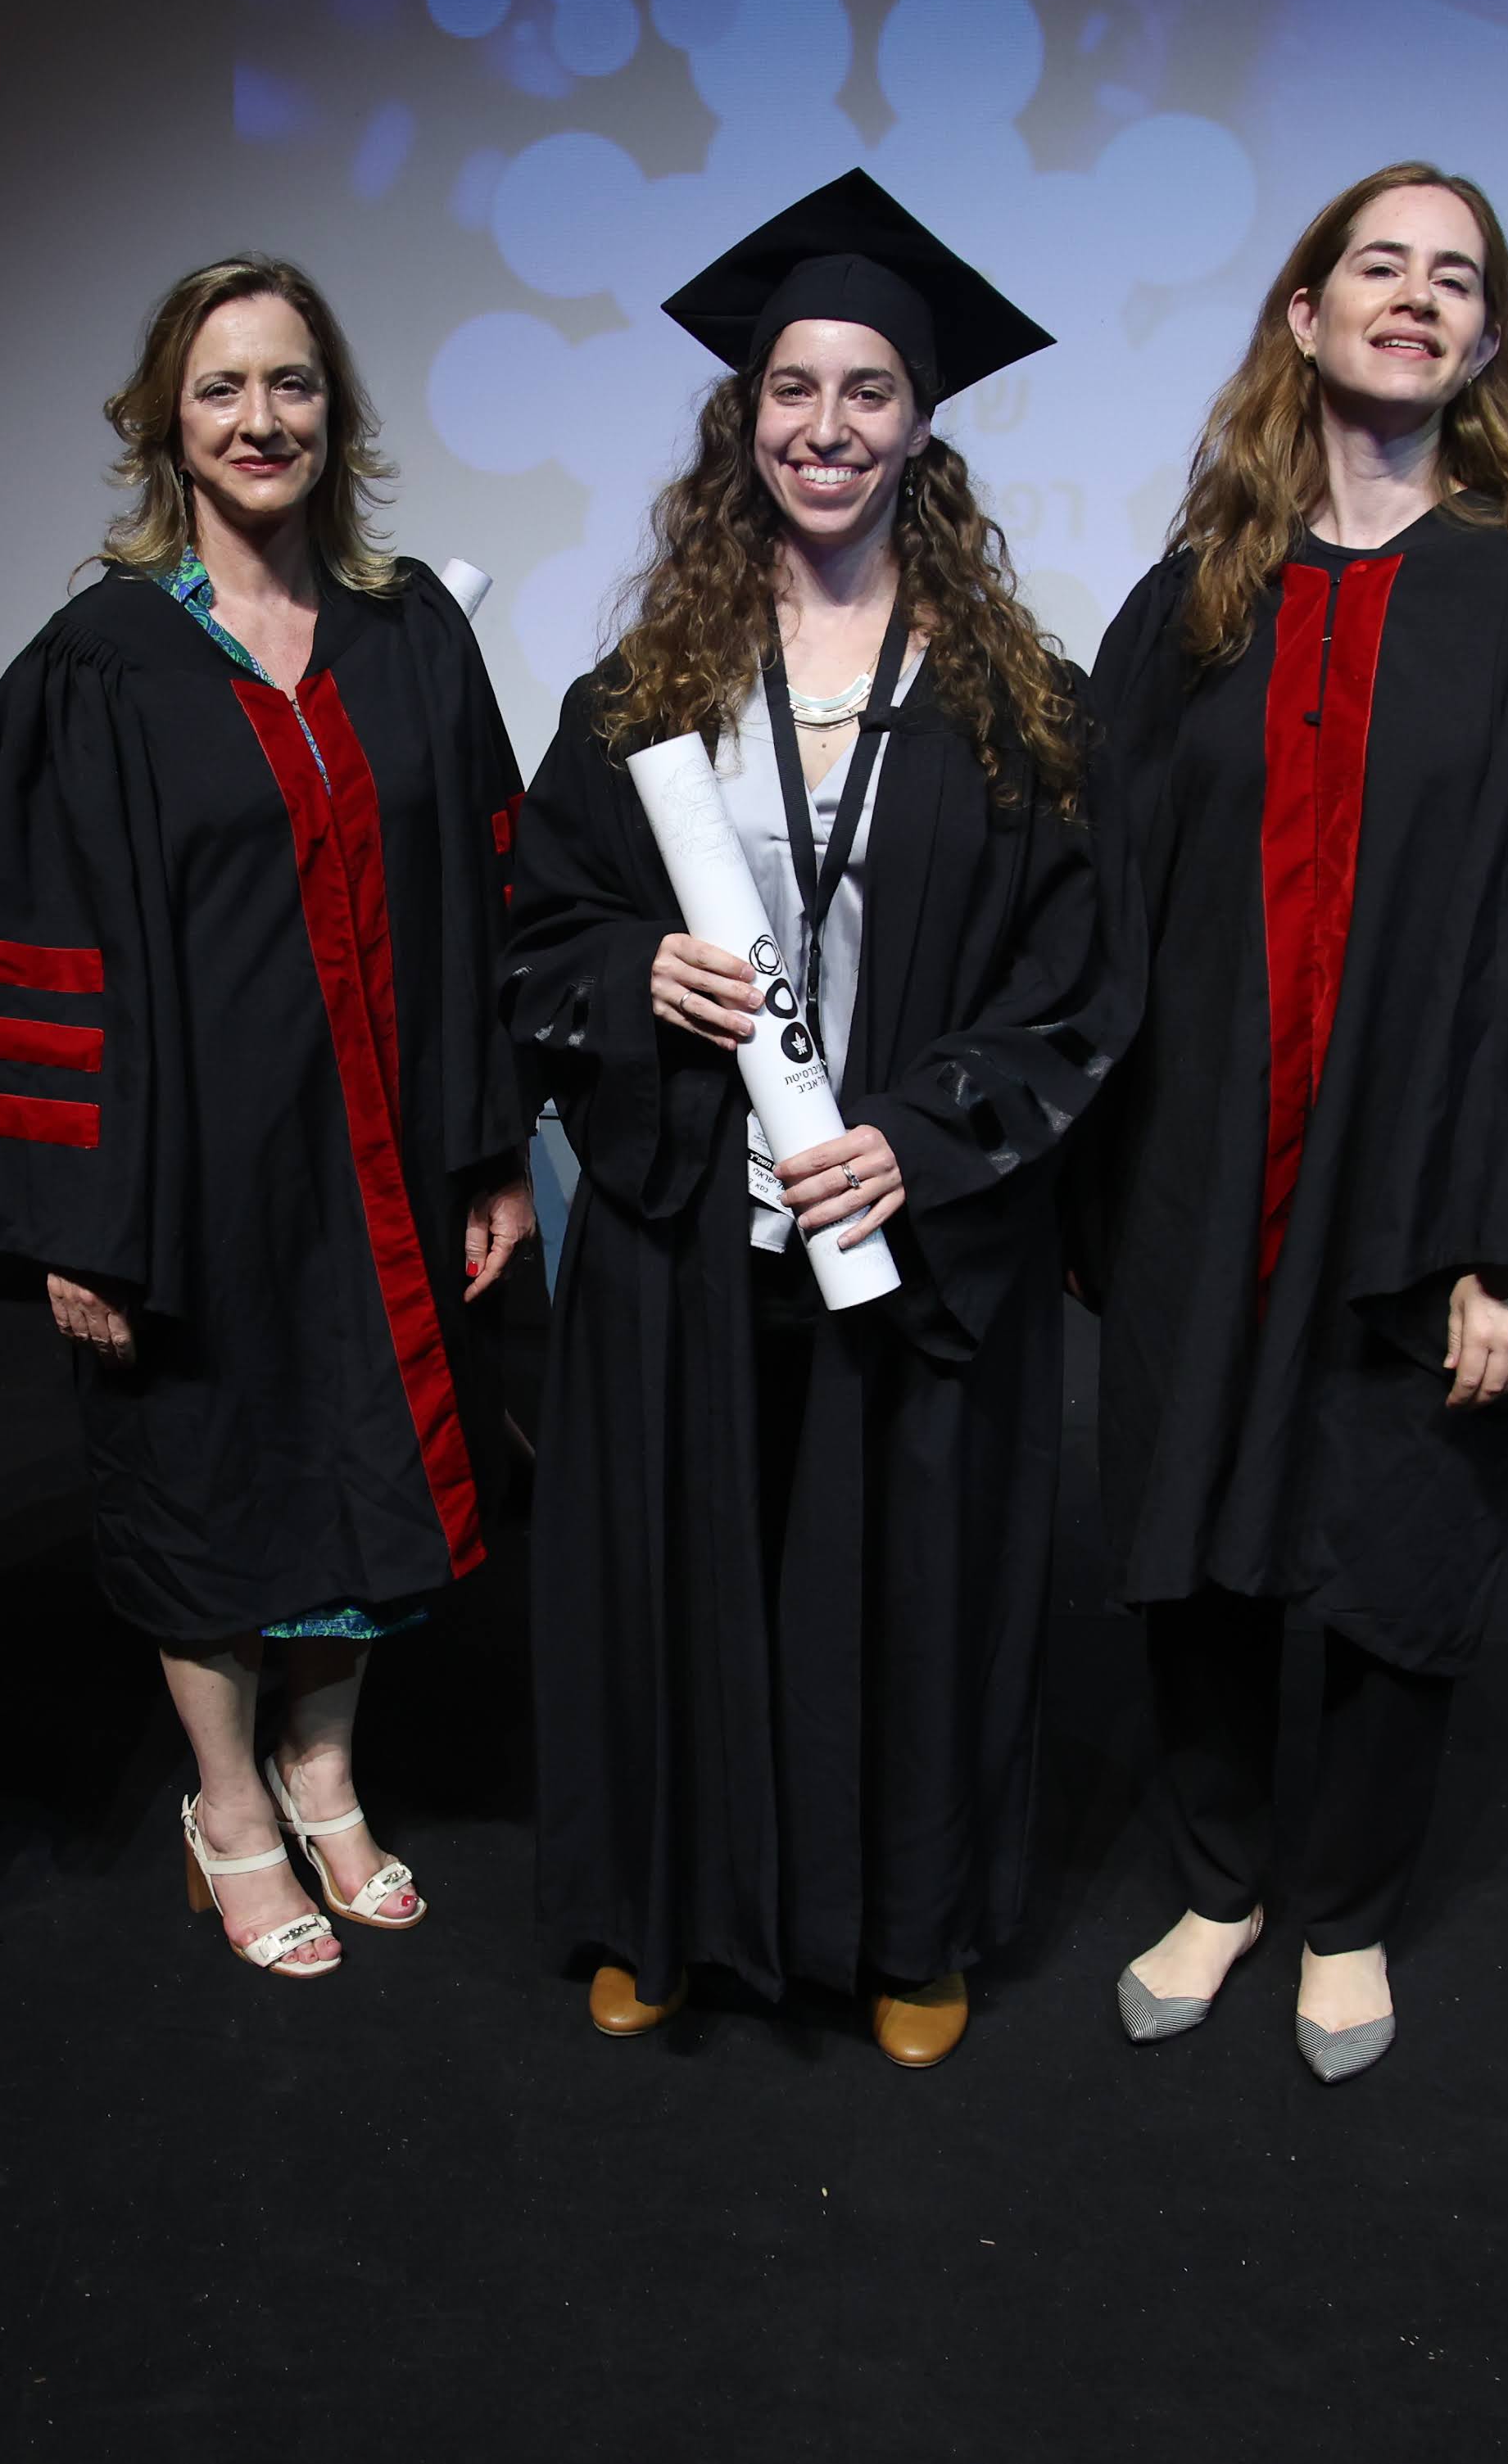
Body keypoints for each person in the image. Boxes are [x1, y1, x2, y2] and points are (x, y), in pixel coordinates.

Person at [1077, 162, 1508, 2082]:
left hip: (1435, 1180)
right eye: (1378, 266)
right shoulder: (1193, 602)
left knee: (1398, 1538)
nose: (1415, 298)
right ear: (1302, 313)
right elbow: (1089, 897)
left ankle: (1344, 1913)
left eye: (1456, 279)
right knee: (1190, 1531)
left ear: (1485, 341)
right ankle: (1218, 1877)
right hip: (1198, 1173)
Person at [507, 171, 1136, 2068]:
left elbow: (1080, 991)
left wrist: (922, 1141)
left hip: (910, 1230)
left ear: (924, 423)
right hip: (693, 1217)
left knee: (910, 1579)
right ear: (744, 416)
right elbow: (538, 928)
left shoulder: (1028, 709)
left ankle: (903, 1923)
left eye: (869, 390)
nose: (828, 427)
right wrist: (634, 984)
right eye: (795, 388)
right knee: (676, 1562)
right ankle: (665, 1912)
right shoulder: (646, 689)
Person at [0, 256, 534, 1980]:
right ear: (162, 425)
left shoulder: (413, 635)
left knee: (368, 1458)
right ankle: (228, 1805)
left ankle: (327, 1769)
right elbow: (33, 939)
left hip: (388, 1148)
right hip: (187, 1169)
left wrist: (488, 1147)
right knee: (205, 1469)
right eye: (219, 390)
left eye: (289, 385)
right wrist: (74, 1219)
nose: (257, 419)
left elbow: (482, 898)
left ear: (334, 415)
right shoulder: (94, 666)